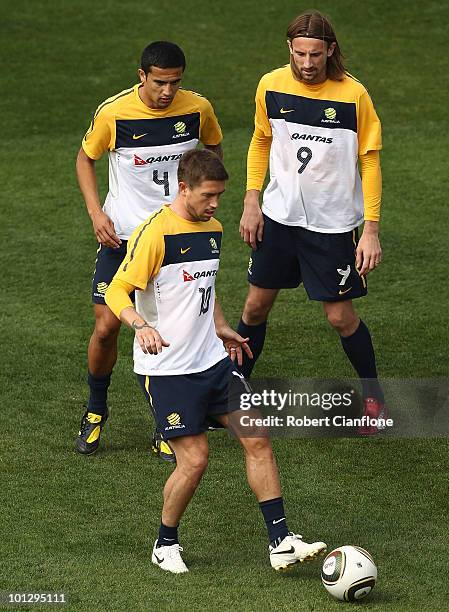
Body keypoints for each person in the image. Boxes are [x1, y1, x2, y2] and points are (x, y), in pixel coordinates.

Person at [104, 149, 327, 573]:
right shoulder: (156, 233)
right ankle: (165, 543)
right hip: (168, 371)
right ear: (183, 188)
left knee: (257, 437)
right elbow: (117, 290)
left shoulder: (214, 228)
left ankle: (280, 541)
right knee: (195, 459)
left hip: (211, 362)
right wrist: (140, 326)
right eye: (208, 195)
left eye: (220, 196)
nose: (215, 204)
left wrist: (221, 326)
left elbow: (203, 286)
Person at [237, 11, 386, 435]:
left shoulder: (353, 94)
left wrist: (370, 229)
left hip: (332, 224)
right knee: (254, 306)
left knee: (340, 317)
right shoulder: (270, 84)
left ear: (330, 50)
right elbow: (261, 139)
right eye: (299, 53)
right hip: (279, 217)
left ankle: (373, 397)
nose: (306, 63)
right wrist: (252, 199)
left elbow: (369, 161)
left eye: (315, 54)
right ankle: (235, 394)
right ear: (289, 49)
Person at [75, 41, 223, 456]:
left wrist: (203, 203)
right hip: (121, 238)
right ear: (142, 76)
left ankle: (168, 423)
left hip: (175, 243)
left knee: (173, 330)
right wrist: (95, 213)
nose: (167, 92)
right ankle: (95, 410)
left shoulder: (197, 109)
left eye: (175, 83)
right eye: (159, 82)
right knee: (107, 327)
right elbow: (84, 158)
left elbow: (213, 152)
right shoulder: (114, 113)